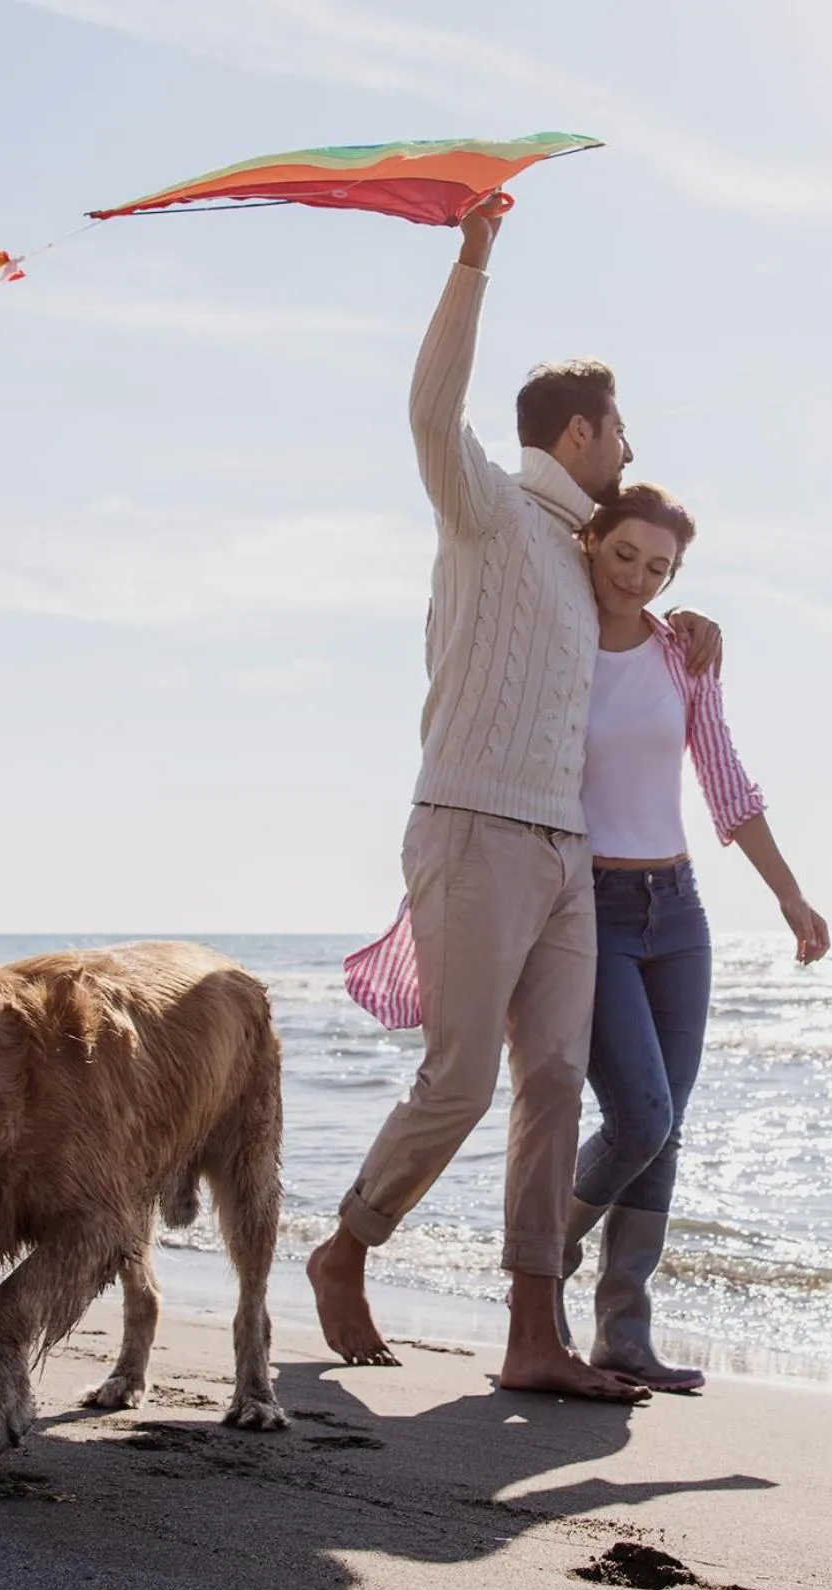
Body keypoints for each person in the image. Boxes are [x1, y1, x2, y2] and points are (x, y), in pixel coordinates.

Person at [309, 199, 719, 1401]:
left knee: (550, 1084)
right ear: (579, 431)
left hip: (566, 855)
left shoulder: (591, 561)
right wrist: (473, 260)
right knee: (462, 1082)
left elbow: (639, 627)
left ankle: (534, 1336)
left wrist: (691, 627)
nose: (629, 452)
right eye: (620, 433)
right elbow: (430, 412)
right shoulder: (484, 508)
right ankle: (348, 1245)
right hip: (473, 829)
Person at [560, 482, 828, 1390]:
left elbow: (726, 781)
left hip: (676, 912)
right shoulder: (555, 638)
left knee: (665, 1130)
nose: (636, 577)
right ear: (590, 541)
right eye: (624, 554)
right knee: (641, 1115)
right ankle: (541, 1263)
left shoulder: (683, 654)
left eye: (658, 567)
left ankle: (623, 1334)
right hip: (589, 908)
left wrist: (790, 894)